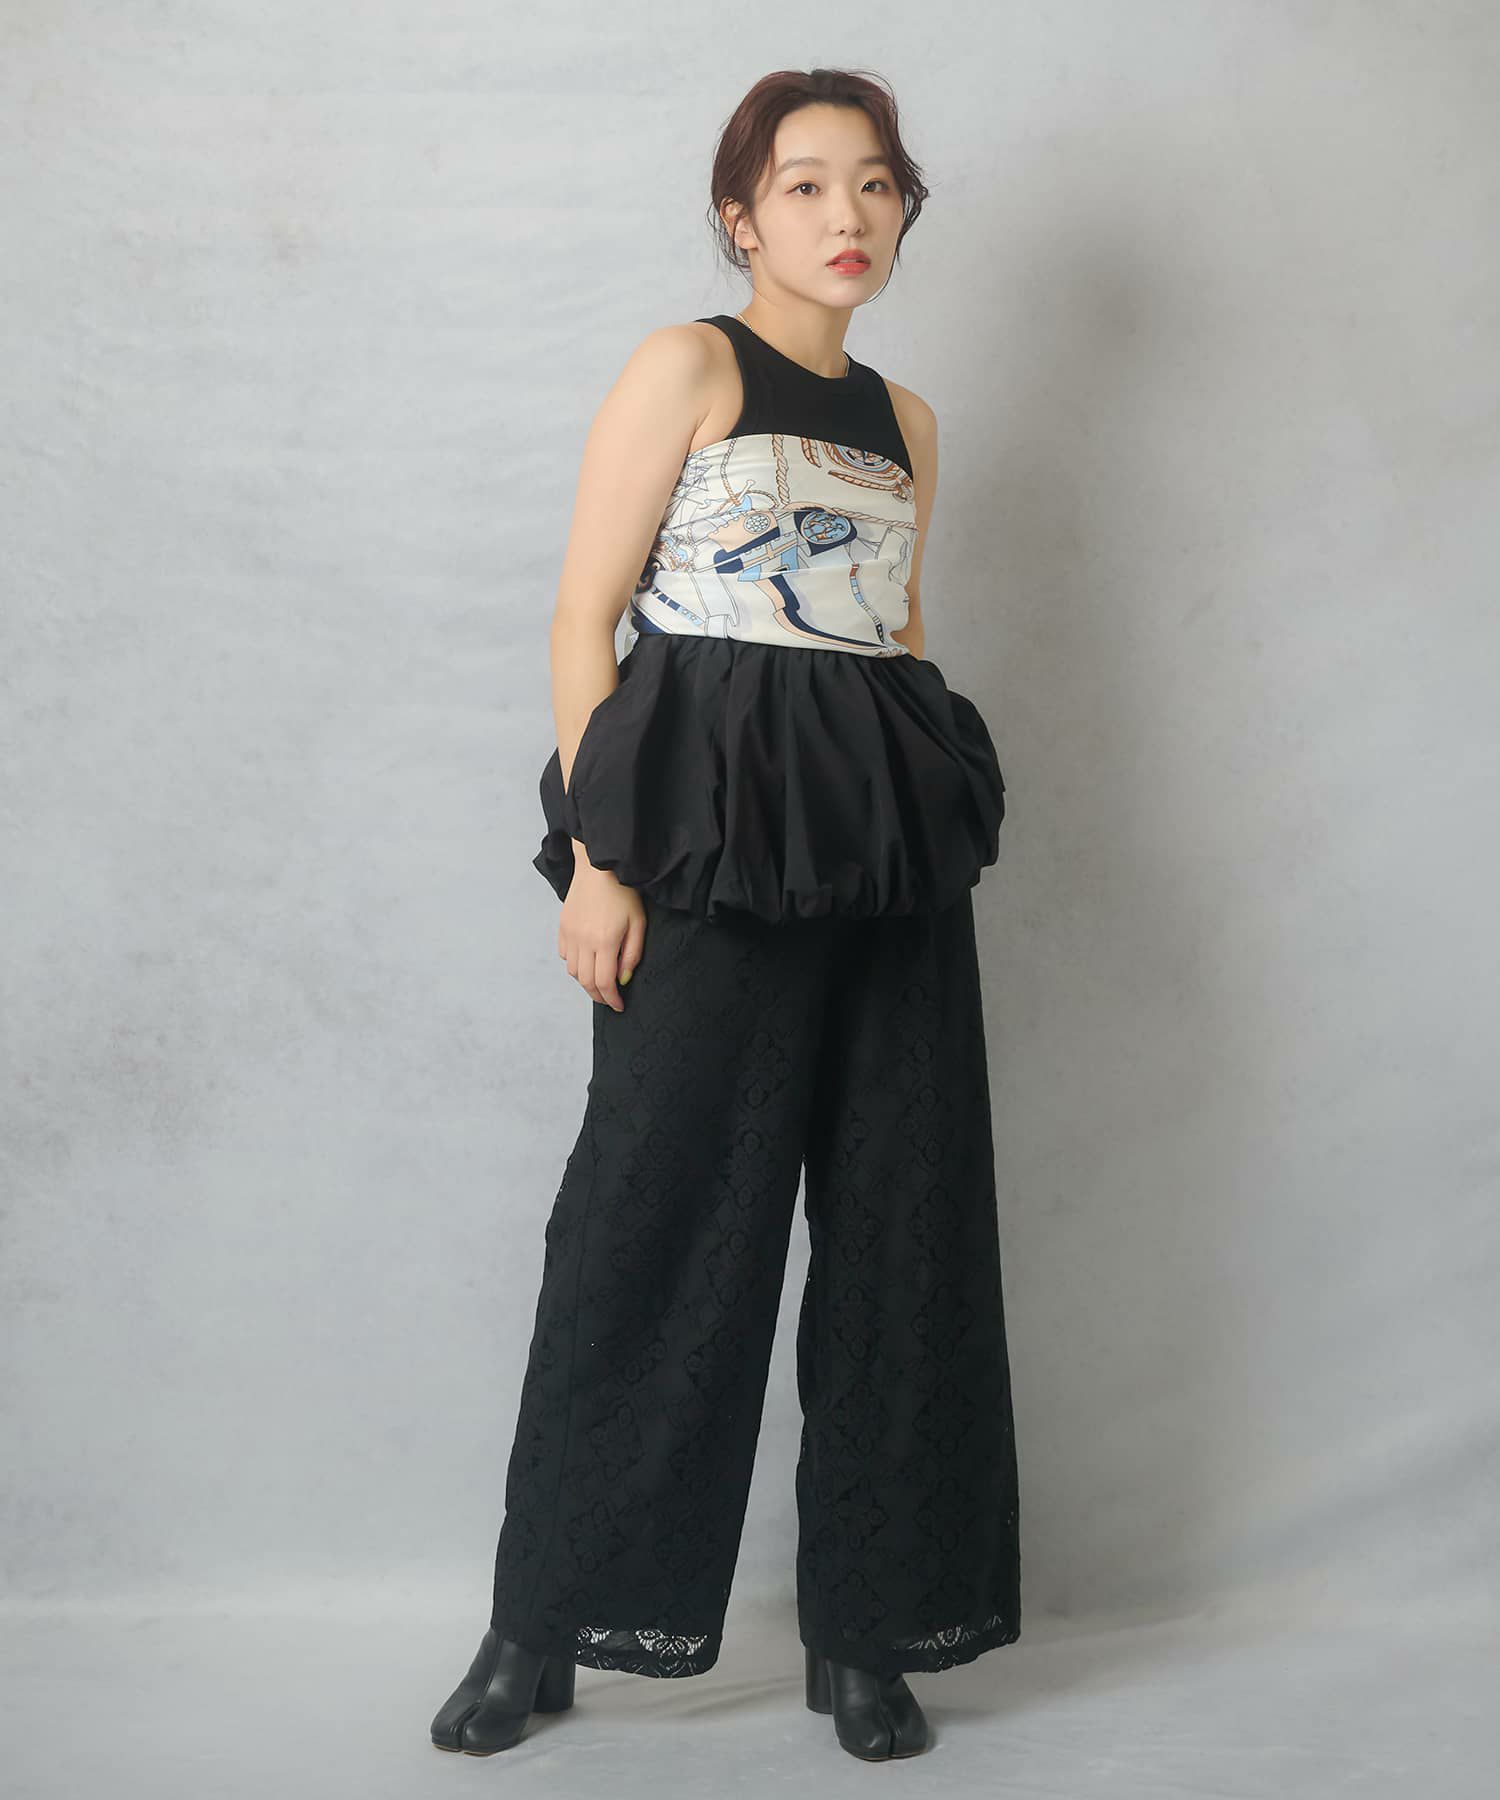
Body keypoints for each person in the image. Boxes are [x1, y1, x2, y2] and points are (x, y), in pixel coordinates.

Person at [430, 66, 1020, 1764]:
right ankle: (541, 1622)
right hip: (701, 853)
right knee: (652, 1224)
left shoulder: (909, 421)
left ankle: (868, 1634)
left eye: (877, 185)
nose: (849, 216)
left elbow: (891, 639)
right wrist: (598, 859)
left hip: (886, 863)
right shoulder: (686, 366)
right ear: (741, 216)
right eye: (807, 185)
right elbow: (584, 619)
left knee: (903, 1230)